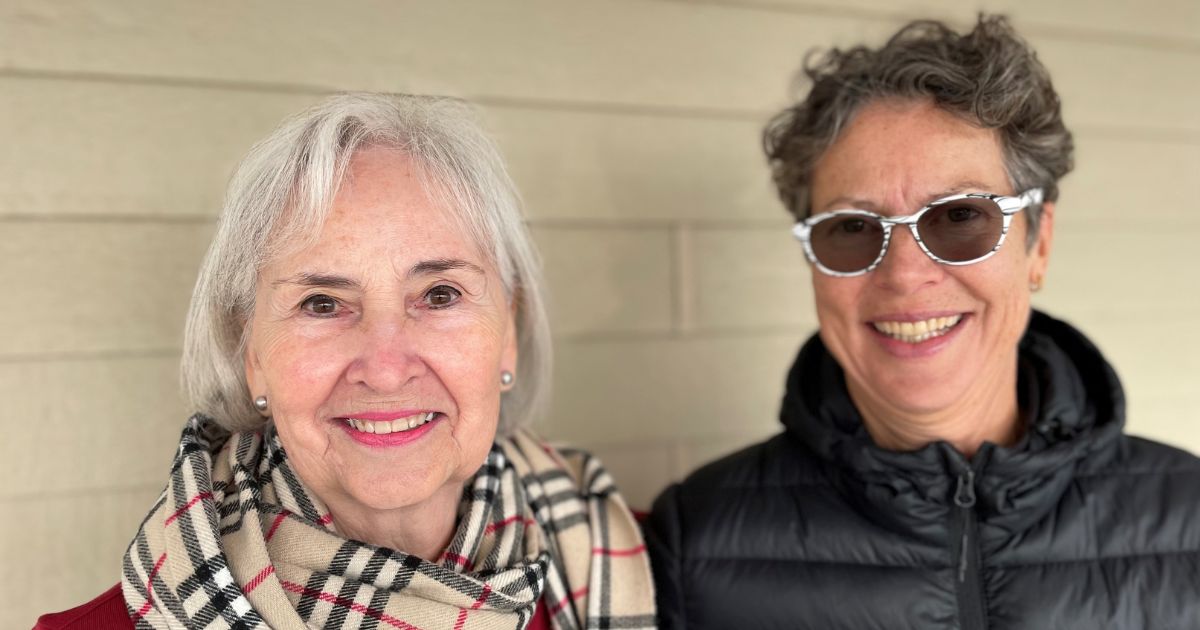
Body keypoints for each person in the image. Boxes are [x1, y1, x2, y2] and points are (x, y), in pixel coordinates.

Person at [647, 15, 1200, 629]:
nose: (905, 275)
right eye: (852, 228)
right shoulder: (693, 541)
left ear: (1037, 245)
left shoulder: (1192, 514)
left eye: (961, 217)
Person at [36, 94, 654, 630]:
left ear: (508, 336)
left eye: (440, 295)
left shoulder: (654, 566)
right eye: (322, 302)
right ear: (252, 354)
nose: (385, 369)